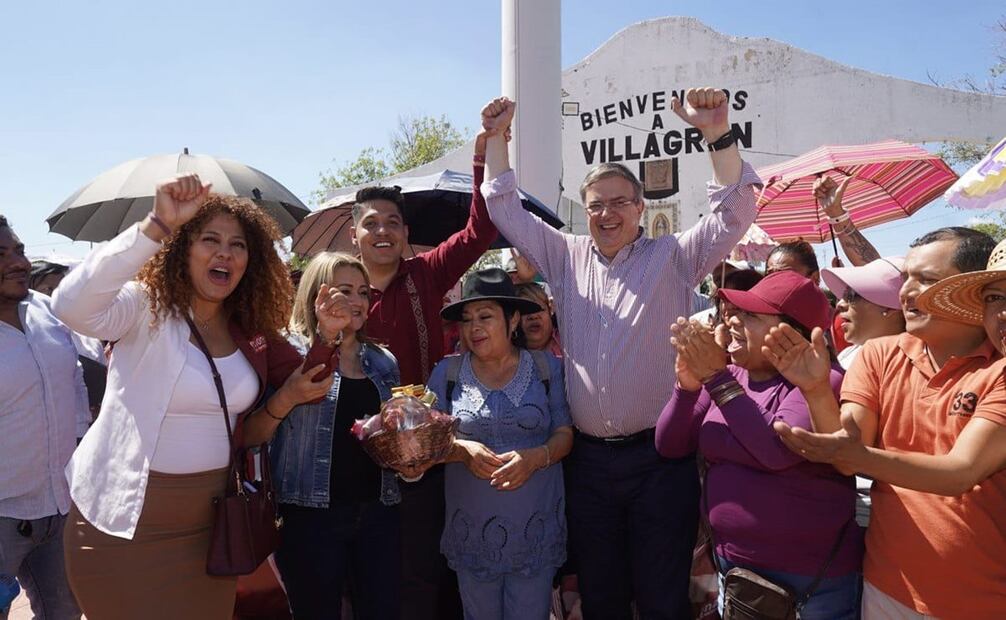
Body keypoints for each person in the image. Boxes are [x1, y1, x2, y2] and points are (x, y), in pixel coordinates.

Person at [480, 88, 761, 618]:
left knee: (661, 597)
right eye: (596, 205)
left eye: (618, 202)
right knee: (602, 595)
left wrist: (717, 133)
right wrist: (497, 141)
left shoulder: (675, 255)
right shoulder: (563, 256)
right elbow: (504, 208)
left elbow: (736, 211)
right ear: (584, 212)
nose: (606, 213)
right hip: (586, 464)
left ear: (640, 207)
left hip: (659, 461)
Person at [54, 175, 348, 619]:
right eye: (210, 239)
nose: (225, 253)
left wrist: (327, 334)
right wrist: (155, 225)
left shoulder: (251, 328)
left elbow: (312, 381)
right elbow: (70, 306)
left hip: (210, 530)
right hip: (121, 523)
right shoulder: (145, 307)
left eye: (238, 245)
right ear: (181, 248)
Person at [765, 228, 1004, 619]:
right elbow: (847, 454)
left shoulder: (999, 369)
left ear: (969, 291)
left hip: (983, 600)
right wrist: (816, 391)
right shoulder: (879, 355)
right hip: (888, 589)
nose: (907, 292)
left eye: (927, 280)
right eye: (907, 277)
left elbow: (961, 473)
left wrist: (854, 454)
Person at [656, 271, 863, 619]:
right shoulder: (733, 375)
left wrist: (716, 377)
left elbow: (775, 452)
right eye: (734, 312)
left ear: (792, 334)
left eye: (750, 315)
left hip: (811, 582)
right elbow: (669, 445)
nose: (732, 321)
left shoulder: (822, 382)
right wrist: (687, 387)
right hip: (735, 570)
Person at [354, 138, 499, 620]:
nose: (382, 231)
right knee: (369, 573)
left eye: (392, 223)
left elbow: (481, 231)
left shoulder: (426, 273)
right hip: (358, 462)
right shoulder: (341, 289)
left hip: (429, 457)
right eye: (371, 224)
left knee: (423, 570)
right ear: (354, 236)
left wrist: (485, 156)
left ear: (406, 233)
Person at [423, 268, 573, 620]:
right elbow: (425, 445)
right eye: (467, 319)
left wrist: (536, 458)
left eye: (485, 316)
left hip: (534, 533)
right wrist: (461, 450)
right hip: (471, 536)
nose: (474, 328)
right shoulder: (446, 375)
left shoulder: (547, 368)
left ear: (513, 319)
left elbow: (565, 433)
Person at [270, 252, 402, 619]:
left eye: (363, 291)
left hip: (378, 512)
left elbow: (392, 435)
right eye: (345, 290)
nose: (357, 301)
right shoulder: (287, 349)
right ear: (317, 294)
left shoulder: (383, 359)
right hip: (309, 516)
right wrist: (327, 336)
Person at [0, 214, 85, 619]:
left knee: (64, 613)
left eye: (17, 250)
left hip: (58, 507)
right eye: (0, 255)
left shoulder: (48, 311)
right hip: (2, 517)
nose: (17, 262)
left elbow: (76, 382)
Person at [819, 257, 906, 528]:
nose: (840, 304)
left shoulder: (912, 363)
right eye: (842, 296)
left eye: (854, 296)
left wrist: (815, 390)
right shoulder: (849, 354)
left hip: (877, 514)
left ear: (892, 309)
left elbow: (848, 450)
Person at [514, 282, 562, 357]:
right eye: (525, 311)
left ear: (550, 311)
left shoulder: (569, 341)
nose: (533, 316)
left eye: (539, 309)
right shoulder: (506, 354)